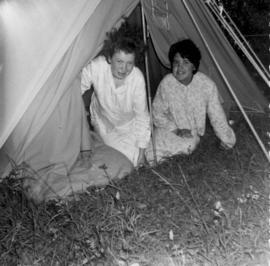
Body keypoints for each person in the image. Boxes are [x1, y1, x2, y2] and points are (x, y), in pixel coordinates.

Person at [146, 39, 236, 163]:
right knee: (151, 152)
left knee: (188, 145)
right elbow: (157, 113)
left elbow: (217, 115)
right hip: (169, 129)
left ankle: (168, 159)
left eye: (186, 62)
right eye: (176, 62)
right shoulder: (167, 83)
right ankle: (158, 159)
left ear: (194, 66)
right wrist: (175, 129)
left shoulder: (206, 85)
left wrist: (227, 140)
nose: (180, 67)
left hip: (190, 135)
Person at [81, 22, 151, 167]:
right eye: (119, 61)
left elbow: (142, 116)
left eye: (129, 63)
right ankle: (100, 138)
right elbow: (76, 89)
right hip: (104, 121)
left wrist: (142, 153)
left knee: (142, 155)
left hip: (128, 123)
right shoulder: (97, 67)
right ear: (110, 57)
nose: (124, 68)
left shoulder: (137, 78)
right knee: (126, 159)